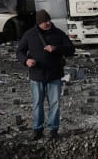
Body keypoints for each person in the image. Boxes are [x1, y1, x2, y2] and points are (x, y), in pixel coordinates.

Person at [16, 9, 75, 139]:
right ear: (39, 23)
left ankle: (53, 130)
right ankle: (37, 130)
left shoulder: (58, 34)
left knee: (55, 104)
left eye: (49, 20)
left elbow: (71, 49)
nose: (48, 23)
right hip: (36, 75)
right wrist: (26, 61)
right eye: (45, 21)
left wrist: (56, 48)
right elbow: (19, 52)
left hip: (54, 75)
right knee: (37, 104)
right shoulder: (30, 34)